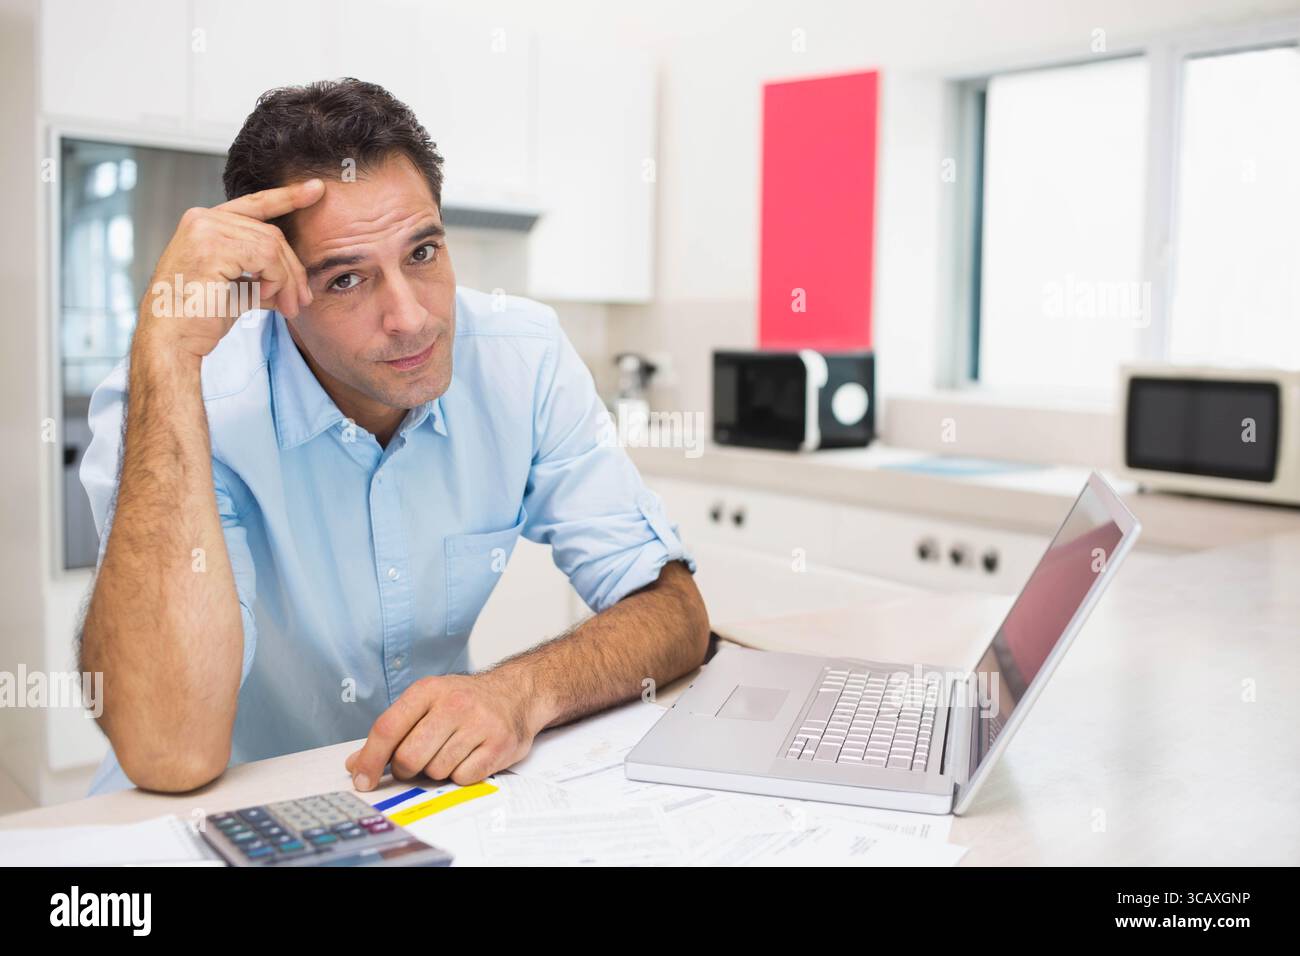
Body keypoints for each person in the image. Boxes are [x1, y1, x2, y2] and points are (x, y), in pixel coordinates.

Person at [77, 78, 708, 796]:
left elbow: (674, 612)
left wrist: (518, 692)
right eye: (346, 280)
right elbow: (171, 753)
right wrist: (163, 349)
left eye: (422, 253)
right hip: (213, 813)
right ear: (273, 288)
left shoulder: (520, 356)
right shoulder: (189, 400)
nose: (410, 318)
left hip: (422, 800)